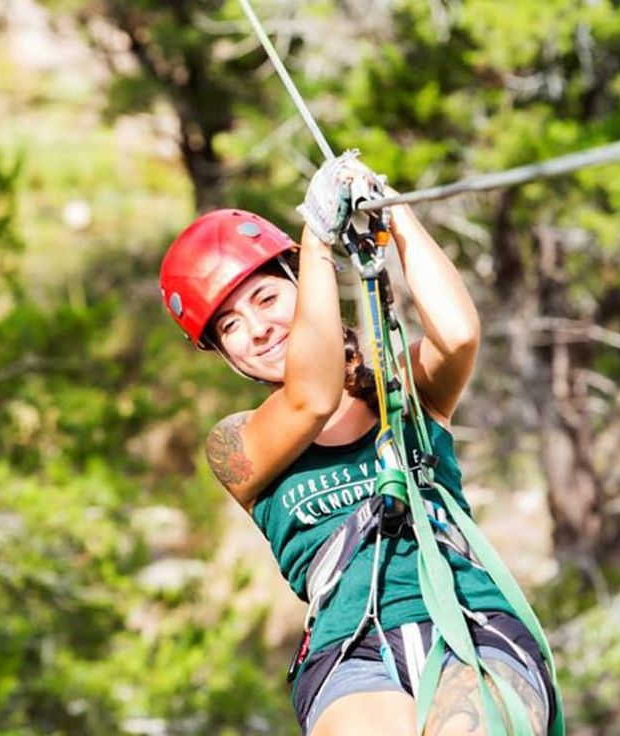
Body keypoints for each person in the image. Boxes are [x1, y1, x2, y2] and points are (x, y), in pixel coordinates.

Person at [159, 154, 558, 736]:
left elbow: (458, 334)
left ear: (300, 285)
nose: (258, 329)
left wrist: (391, 212)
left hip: (472, 621)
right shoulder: (235, 443)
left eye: (267, 299)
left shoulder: (399, 387)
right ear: (223, 354)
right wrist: (318, 241)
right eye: (231, 327)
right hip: (352, 651)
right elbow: (312, 396)